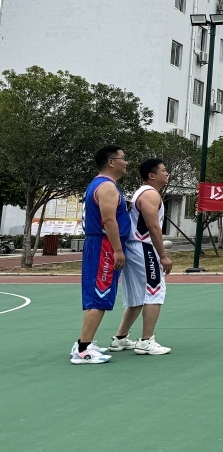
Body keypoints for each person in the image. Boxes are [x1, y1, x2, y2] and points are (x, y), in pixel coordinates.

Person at [71, 145, 130, 365]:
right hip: (104, 246)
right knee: (99, 296)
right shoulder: (106, 187)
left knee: (97, 295)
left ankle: (83, 343)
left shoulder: (99, 184)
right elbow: (109, 220)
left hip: (99, 244)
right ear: (111, 162)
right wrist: (117, 250)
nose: (126, 162)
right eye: (123, 158)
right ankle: (83, 350)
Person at [108, 158, 173, 355]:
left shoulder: (141, 192)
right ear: (152, 175)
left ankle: (120, 338)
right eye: (163, 170)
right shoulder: (150, 194)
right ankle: (146, 341)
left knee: (137, 295)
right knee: (154, 291)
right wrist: (163, 255)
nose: (167, 173)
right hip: (144, 247)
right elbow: (153, 226)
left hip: (134, 247)